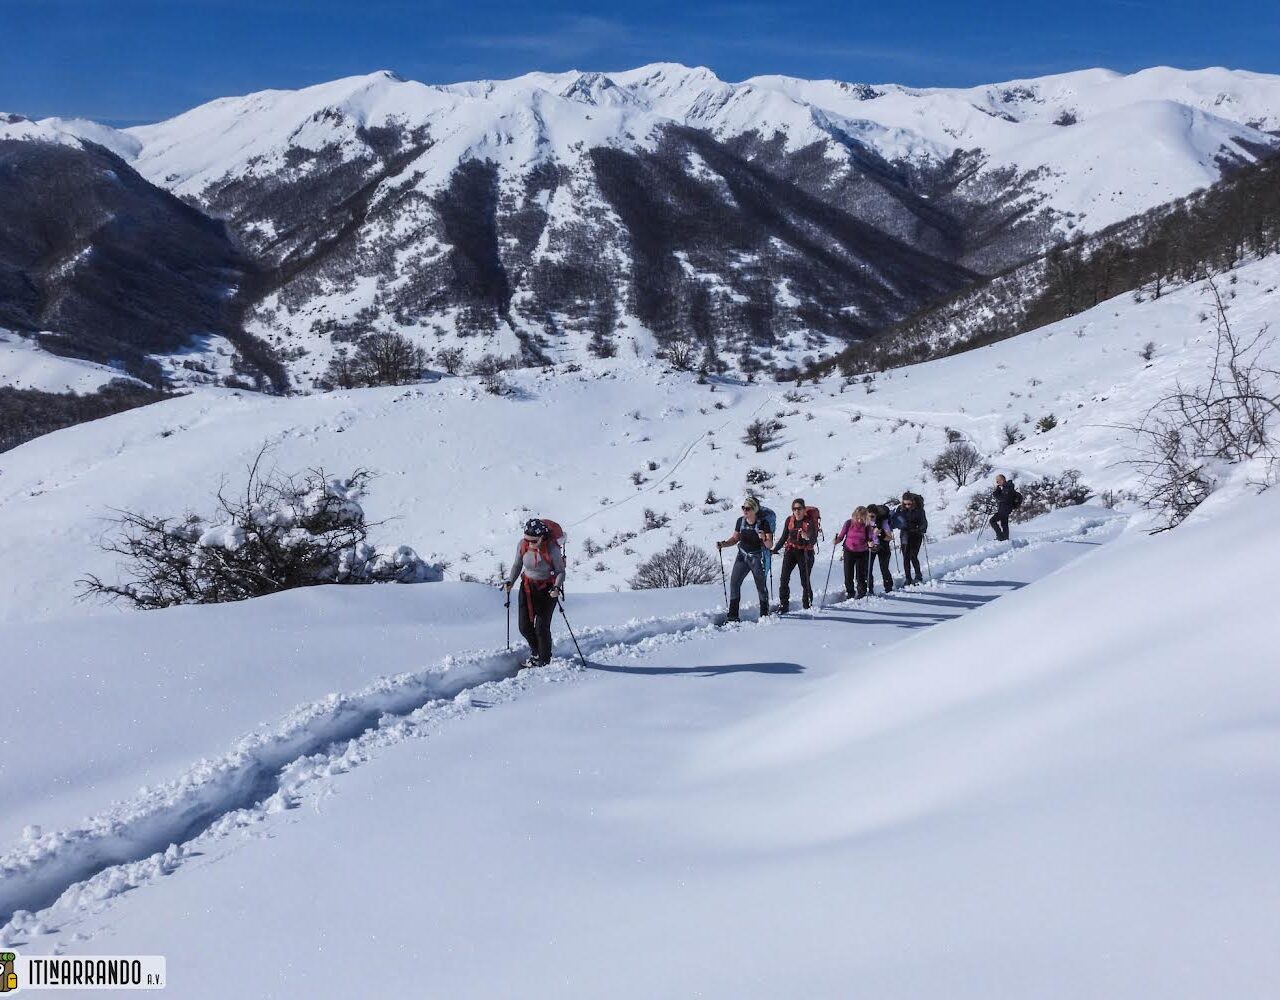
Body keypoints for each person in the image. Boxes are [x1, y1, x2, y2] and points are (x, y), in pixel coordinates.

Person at [504, 518, 565, 668]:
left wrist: (556, 588)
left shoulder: (552, 549)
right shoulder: (523, 545)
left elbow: (560, 572)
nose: (529, 543)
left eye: (533, 540)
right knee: (524, 626)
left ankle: (544, 659)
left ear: (542, 537)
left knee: (541, 627)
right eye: (527, 539)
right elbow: (517, 564)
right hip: (527, 587)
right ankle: (536, 652)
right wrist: (510, 581)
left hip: (548, 589)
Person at [717, 496, 774, 621]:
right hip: (742, 556)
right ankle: (733, 616)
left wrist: (764, 537)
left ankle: (764, 614)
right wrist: (724, 544)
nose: (745, 511)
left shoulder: (763, 524)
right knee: (734, 583)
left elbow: (770, 545)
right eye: (743, 508)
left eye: (747, 508)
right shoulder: (740, 521)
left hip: (756, 558)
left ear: (754, 510)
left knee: (760, 586)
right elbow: (735, 538)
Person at [773, 498, 817, 613]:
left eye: (799, 508)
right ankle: (783, 605)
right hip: (791, 551)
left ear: (804, 509)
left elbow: (813, 540)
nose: (797, 511)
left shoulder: (809, 522)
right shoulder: (789, 520)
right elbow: (784, 537)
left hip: (805, 552)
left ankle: (807, 604)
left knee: (804, 579)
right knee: (784, 578)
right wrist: (774, 549)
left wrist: (806, 536)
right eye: (794, 509)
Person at [834, 506, 878, 599]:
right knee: (848, 574)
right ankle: (850, 593)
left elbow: (870, 538)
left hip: (862, 552)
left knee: (860, 575)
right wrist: (837, 540)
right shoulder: (849, 523)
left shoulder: (867, 526)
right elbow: (842, 536)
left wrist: (871, 543)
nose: (859, 520)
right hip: (848, 551)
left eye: (861, 517)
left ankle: (861, 593)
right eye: (857, 517)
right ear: (854, 515)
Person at [893, 493, 928, 585]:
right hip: (905, 534)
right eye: (905, 504)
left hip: (916, 535)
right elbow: (895, 520)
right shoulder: (900, 509)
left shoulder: (919, 510)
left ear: (913, 502)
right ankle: (908, 578)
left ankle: (918, 575)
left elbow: (924, 522)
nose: (907, 506)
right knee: (906, 557)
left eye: (909, 504)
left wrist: (920, 529)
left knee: (913, 555)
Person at [867, 502, 894, 594]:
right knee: (868, 568)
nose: (870, 518)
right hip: (870, 547)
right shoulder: (865, 522)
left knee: (884, 567)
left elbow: (889, 537)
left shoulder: (883, 522)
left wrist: (881, 534)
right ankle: (869, 589)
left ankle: (888, 587)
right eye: (869, 516)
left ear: (877, 515)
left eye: (872, 516)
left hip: (883, 547)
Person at [990, 474, 1016, 542]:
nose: (997, 483)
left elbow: (1003, 498)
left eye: (998, 481)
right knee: (1004, 524)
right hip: (1004, 509)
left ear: (1002, 480)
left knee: (992, 521)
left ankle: (1000, 537)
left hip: (1005, 509)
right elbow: (1003, 497)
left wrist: (996, 493)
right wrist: (998, 490)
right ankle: (1005, 538)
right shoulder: (1006, 487)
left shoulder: (1008, 487)